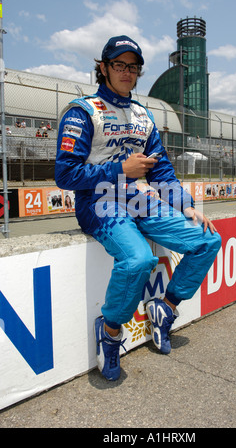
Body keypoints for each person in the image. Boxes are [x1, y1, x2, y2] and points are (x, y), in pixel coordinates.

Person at [55, 35, 221, 381]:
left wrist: (185, 205)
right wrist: (120, 170)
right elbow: (65, 174)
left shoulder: (143, 115)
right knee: (140, 259)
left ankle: (165, 308)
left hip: (138, 199)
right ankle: (112, 331)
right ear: (103, 68)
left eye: (133, 67)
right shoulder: (82, 111)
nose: (127, 72)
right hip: (98, 201)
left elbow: (160, 170)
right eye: (119, 65)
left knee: (206, 240)